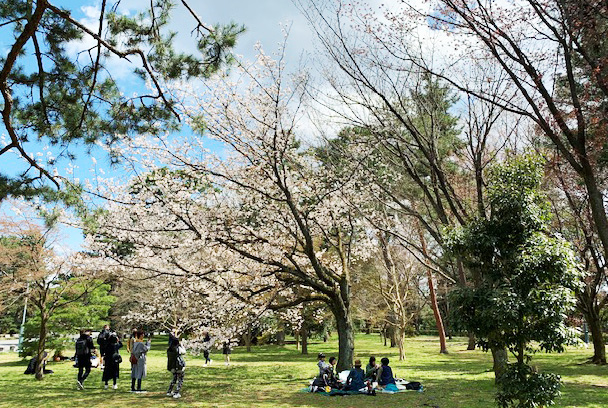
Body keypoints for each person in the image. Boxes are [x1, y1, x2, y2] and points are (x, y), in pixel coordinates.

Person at [166, 330, 186, 399]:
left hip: (172, 366)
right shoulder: (178, 348)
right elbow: (184, 352)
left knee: (174, 378)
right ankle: (176, 392)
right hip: (179, 365)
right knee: (180, 379)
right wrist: (182, 345)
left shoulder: (169, 349)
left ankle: (169, 391)